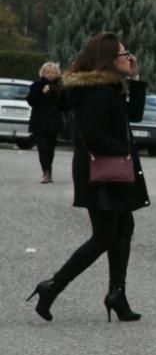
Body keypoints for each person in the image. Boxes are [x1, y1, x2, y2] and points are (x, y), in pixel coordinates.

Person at [26, 32, 148, 323]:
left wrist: (135, 77)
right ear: (108, 59)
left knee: (123, 228)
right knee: (104, 235)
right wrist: (125, 151)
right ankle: (52, 286)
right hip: (101, 172)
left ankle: (117, 294)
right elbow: (93, 136)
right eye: (123, 54)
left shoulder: (110, 87)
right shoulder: (96, 92)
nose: (128, 57)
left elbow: (135, 114)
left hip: (111, 170)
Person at [27, 61, 64, 184]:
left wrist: (56, 91)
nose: (50, 74)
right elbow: (32, 102)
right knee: (42, 148)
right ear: (43, 73)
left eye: (53, 72)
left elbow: (65, 104)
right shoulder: (36, 86)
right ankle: (46, 172)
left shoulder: (60, 87)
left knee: (50, 149)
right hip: (39, 122)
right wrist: (43, 93)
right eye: (48, 72)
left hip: (54, 122)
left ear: (57, 74)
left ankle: (49, 170)